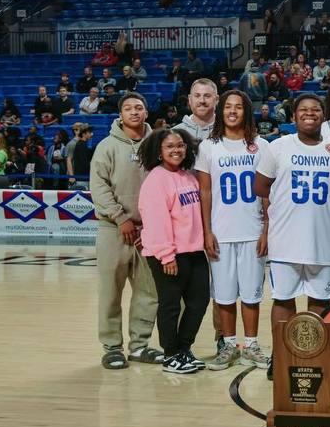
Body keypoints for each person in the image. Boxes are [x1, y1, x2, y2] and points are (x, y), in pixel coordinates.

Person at [254, 94, 330, 379]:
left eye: (316, 109)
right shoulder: (277, 147)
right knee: (283, 300)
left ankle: (314, 353)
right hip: (285, 239)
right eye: (303, 110)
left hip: (324, 240)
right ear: (293, 116)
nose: (310, 114)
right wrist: (270, 225)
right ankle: (280, 355)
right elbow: (261, 187)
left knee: (319, 301)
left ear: (324, 114)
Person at [195, 91, 270, 371]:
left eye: (239, 107)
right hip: (221, 232)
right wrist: (207, 231)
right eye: (228, 106)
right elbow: (204, 191)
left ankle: (250, 345)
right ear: (220, 110)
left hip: (252, 231)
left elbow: (267, 193)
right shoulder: (208, 147)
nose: (233, 111)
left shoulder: (261, 146)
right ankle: (228, 345)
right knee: (224, 295)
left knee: (251, 294)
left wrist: (266, 230)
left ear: (246, 112)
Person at [90, 92, 163, 370]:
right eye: (129, 108)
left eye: (139, 107)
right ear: (120, 115)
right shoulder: (107, 146)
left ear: (146, 113)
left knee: (149, 291)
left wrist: (154, 224)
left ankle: (140, 345)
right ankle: (111, 347)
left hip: (149, 232)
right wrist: (121, 218)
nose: (134, 112)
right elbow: (99, 187)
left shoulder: (156, 145)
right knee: (110, 291)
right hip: (114, 229)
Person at [137, 127, 209, 374]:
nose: (177, 150)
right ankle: (170, 355)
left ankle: (183, 348)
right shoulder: (155, 180)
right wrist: (167, 255)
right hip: (168, 254)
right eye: (170, 146)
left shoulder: (188, 177)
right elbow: (157, 222)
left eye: (180, 145)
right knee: (170, 305)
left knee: (199, 301)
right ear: (159, 152)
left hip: (194, 251)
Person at [174, 79, 219, 144]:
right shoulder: (175, 133)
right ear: (190, 99)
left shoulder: (229, 132)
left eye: (207, 96)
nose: (202, 101)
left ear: (217, 100)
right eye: (197, 96)